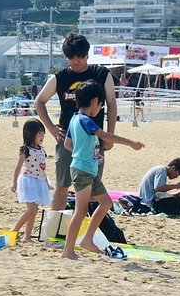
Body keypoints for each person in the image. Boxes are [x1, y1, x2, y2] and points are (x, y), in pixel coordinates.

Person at [33, 33, 118, 216]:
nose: (76, 61)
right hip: (67, 139)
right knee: (62, 186)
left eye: (80, 56)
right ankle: (55, 227)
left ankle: (89, 227)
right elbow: (39, 101)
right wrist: (51, 128)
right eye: (71, 57)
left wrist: (110, 135)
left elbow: (111, 104)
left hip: (94, 140)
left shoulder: (101, 74)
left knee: (93, 187)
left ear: (87, 55)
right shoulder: (60, 77)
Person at [62, 81, 144, 260]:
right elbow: (105, 135)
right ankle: (68, 250)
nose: (100, 108)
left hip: (89, 170)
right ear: (94, 101)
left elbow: (68, 144)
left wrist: (85, 151)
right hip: (82, 171)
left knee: (106, 203)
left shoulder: (74, 119)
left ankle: (87, 239)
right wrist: (130, 143)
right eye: (100, 105)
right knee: (80, 210)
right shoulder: (85, 120)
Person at [10, 119, 50, 244]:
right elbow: (18, 166)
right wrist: (14, 183)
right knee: (31, 209)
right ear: (31, 134)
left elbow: (42, 168)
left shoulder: (41, 149)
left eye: (43, 133)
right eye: (39, 133)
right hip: (28, 181)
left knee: (35, 210)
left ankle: (27, 236)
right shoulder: (26, 149)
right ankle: (14, 231)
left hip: (39, 181)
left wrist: (46, 183)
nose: (42, 136)